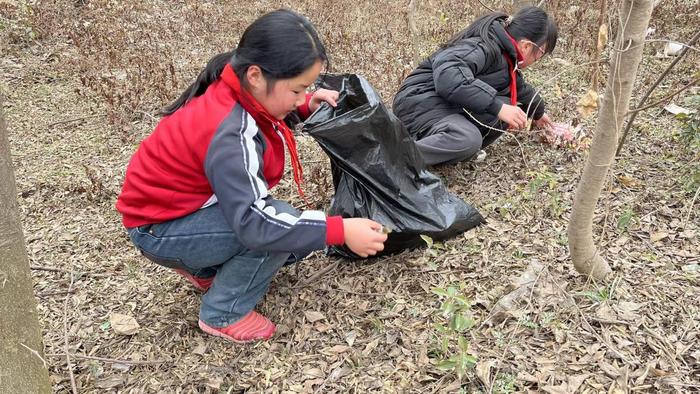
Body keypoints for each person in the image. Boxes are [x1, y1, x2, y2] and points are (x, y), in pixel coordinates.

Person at [116, 9, 387, 344]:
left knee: (289, 232)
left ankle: (205, 269)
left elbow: (268, 113)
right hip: (159, 227)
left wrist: (304, 107)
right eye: (298, 90)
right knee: (278, 228)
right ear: (257, 75)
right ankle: (222, 313)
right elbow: (258, 225)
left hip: (173, 213)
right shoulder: (229, 131)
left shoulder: (237, 81)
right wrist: (340, 229)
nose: (303, 97)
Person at [392, 6, 558, 166]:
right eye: (540, 54)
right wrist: (497, 106)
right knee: (467, 138)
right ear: (526, 46)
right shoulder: (482, 46)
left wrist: (538, 113)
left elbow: (518, 88)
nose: (537, 60)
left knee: (508, 107)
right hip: (418, 101)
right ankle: (395, 157)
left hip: (440, 104)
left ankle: (446, 150)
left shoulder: (505, 54)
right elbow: (448, 75)